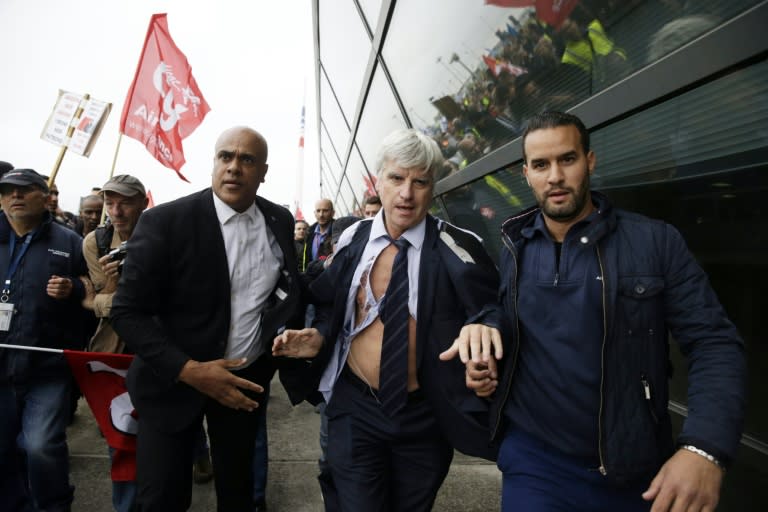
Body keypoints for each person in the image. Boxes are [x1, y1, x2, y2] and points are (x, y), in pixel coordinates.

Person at [442, 111, 747, 511]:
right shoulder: (516, 245)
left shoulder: (655, 241)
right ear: (526, 174)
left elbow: (714, 342)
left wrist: (704, 448)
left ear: (590, 160)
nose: (554, 176)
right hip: (533, 463)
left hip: (631, 468)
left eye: (566, 159)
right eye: (541, 165)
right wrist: (482, 334)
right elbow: (509, 312)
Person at [273, 128, 499, 511]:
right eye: (396, 178)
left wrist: (485, 329)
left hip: (424, 417)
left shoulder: (457, 245)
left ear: (433, 187)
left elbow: (492, 306)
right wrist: (320, 336)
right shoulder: (351, 240)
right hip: (355, 407)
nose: (407, 193)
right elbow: (328, 302)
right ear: (378, 181)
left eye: (420, 181)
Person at [110, 126, 301, 511]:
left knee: (238, 494)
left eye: (246, 159)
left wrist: (279, 341)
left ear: (264, 171)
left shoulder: (278, 221)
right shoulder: (165, 222)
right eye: (225, 157)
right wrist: (189, 370)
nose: (234, 167)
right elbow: (127, 312)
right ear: (213, 163)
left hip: (241, 384)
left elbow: (288, 289)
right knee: (161, 499)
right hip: (170, 384)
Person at [0, 168, 88, 512]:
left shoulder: (69, 241)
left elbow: (90, 288)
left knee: (40, 445)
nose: (15, 197)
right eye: (7, 191)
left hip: (47, 366)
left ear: (45, 194)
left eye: (24, 190)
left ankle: (53, 505)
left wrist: (74, 288)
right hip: (1, 365)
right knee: (3, 447)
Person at [80, 174, 149, 512]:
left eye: (125, 202)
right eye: (110, 202)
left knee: (176, 420)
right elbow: (99, 305)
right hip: (113, 349)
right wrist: (111, 284)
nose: (116, 210)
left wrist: (106, 299)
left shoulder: (159, 235)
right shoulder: (96, 241)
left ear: (143, 202)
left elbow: (162, 301)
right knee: (121, 431)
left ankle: (199, 452)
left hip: (155, 346)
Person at [307, 198, 334, 263]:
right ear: (314, 213)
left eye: (325, 211)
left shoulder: (339, 232)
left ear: (333, 213)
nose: (321, 215)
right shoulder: (308, 232)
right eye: (318, 211)